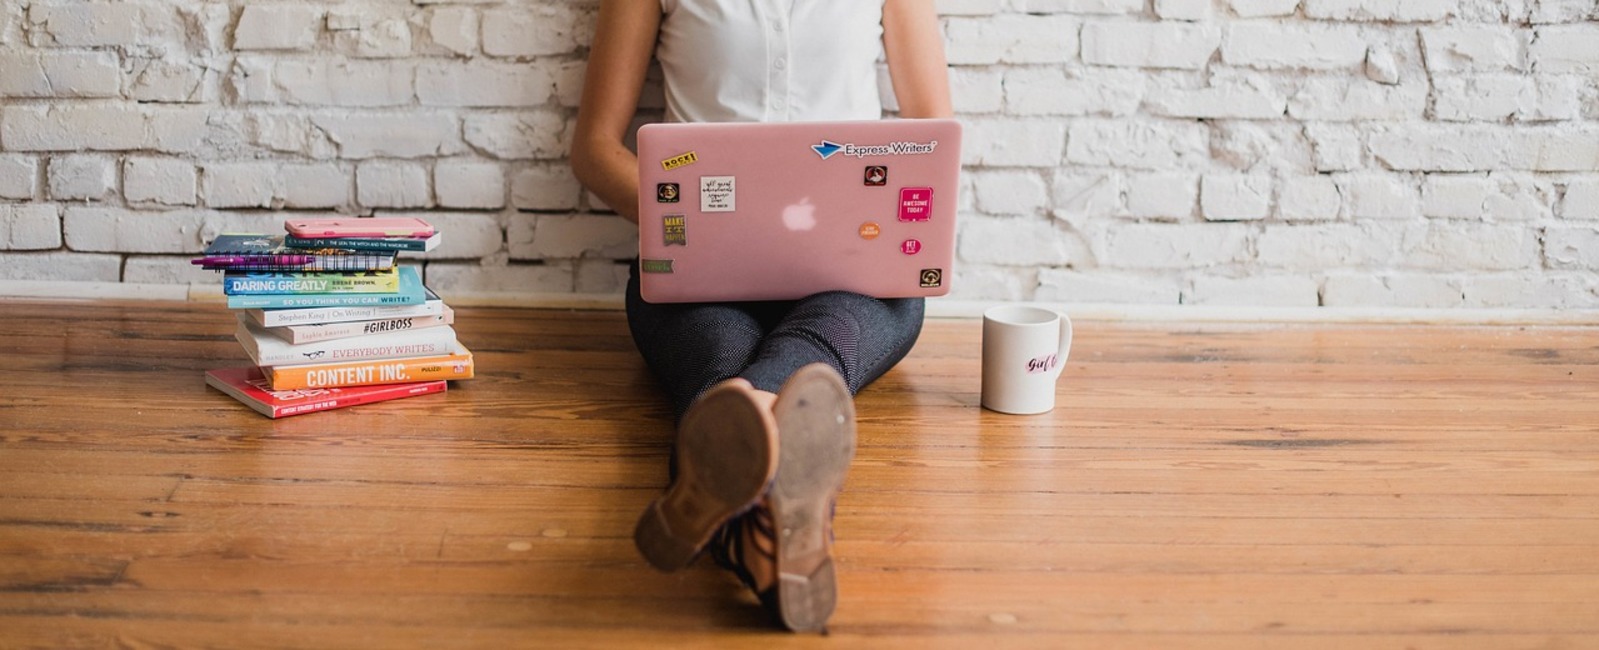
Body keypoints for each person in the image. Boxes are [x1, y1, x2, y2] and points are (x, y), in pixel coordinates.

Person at [569, 0, 953, 633]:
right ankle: (776, 519)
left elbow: (933, 137)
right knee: (729, 352)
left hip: (850, 278)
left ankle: (742, 461)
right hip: (698, 275)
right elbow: (593, 150)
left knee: (737, 382)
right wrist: (692, 226)